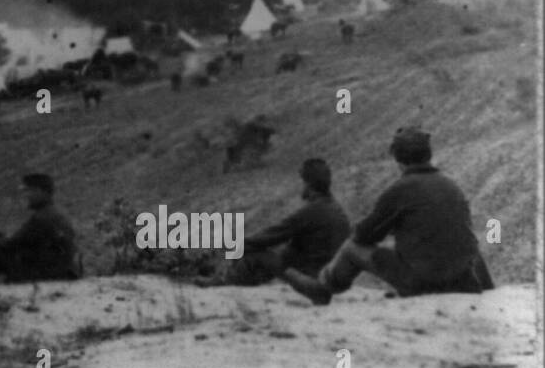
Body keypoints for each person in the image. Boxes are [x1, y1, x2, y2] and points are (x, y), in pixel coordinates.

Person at [285, 128, 493, 305]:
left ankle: (323, 288)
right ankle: (489, 289)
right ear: (428, 154)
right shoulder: (451, 186)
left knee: (351, 249)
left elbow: (364, 236)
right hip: (463, 281)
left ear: (398, 158)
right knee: (465, 242)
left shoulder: (400, 190)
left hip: (422, 282)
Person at [198, 158, 350, 287]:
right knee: (273, 253)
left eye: (303, 182)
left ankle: (223, 281)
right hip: (329, 274)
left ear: (309, 185)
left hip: (310, 274)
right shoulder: (337, 210)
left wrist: (237, 246)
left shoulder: (311, 212)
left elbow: (271, 236)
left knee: (256, 254)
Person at [0, 173, 81, 284]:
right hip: (66, 271)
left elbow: (12, 243)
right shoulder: (56, 213)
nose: (26, 195)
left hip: (51, 274)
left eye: (29, 191)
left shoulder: (42, 218)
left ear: (40, 191)